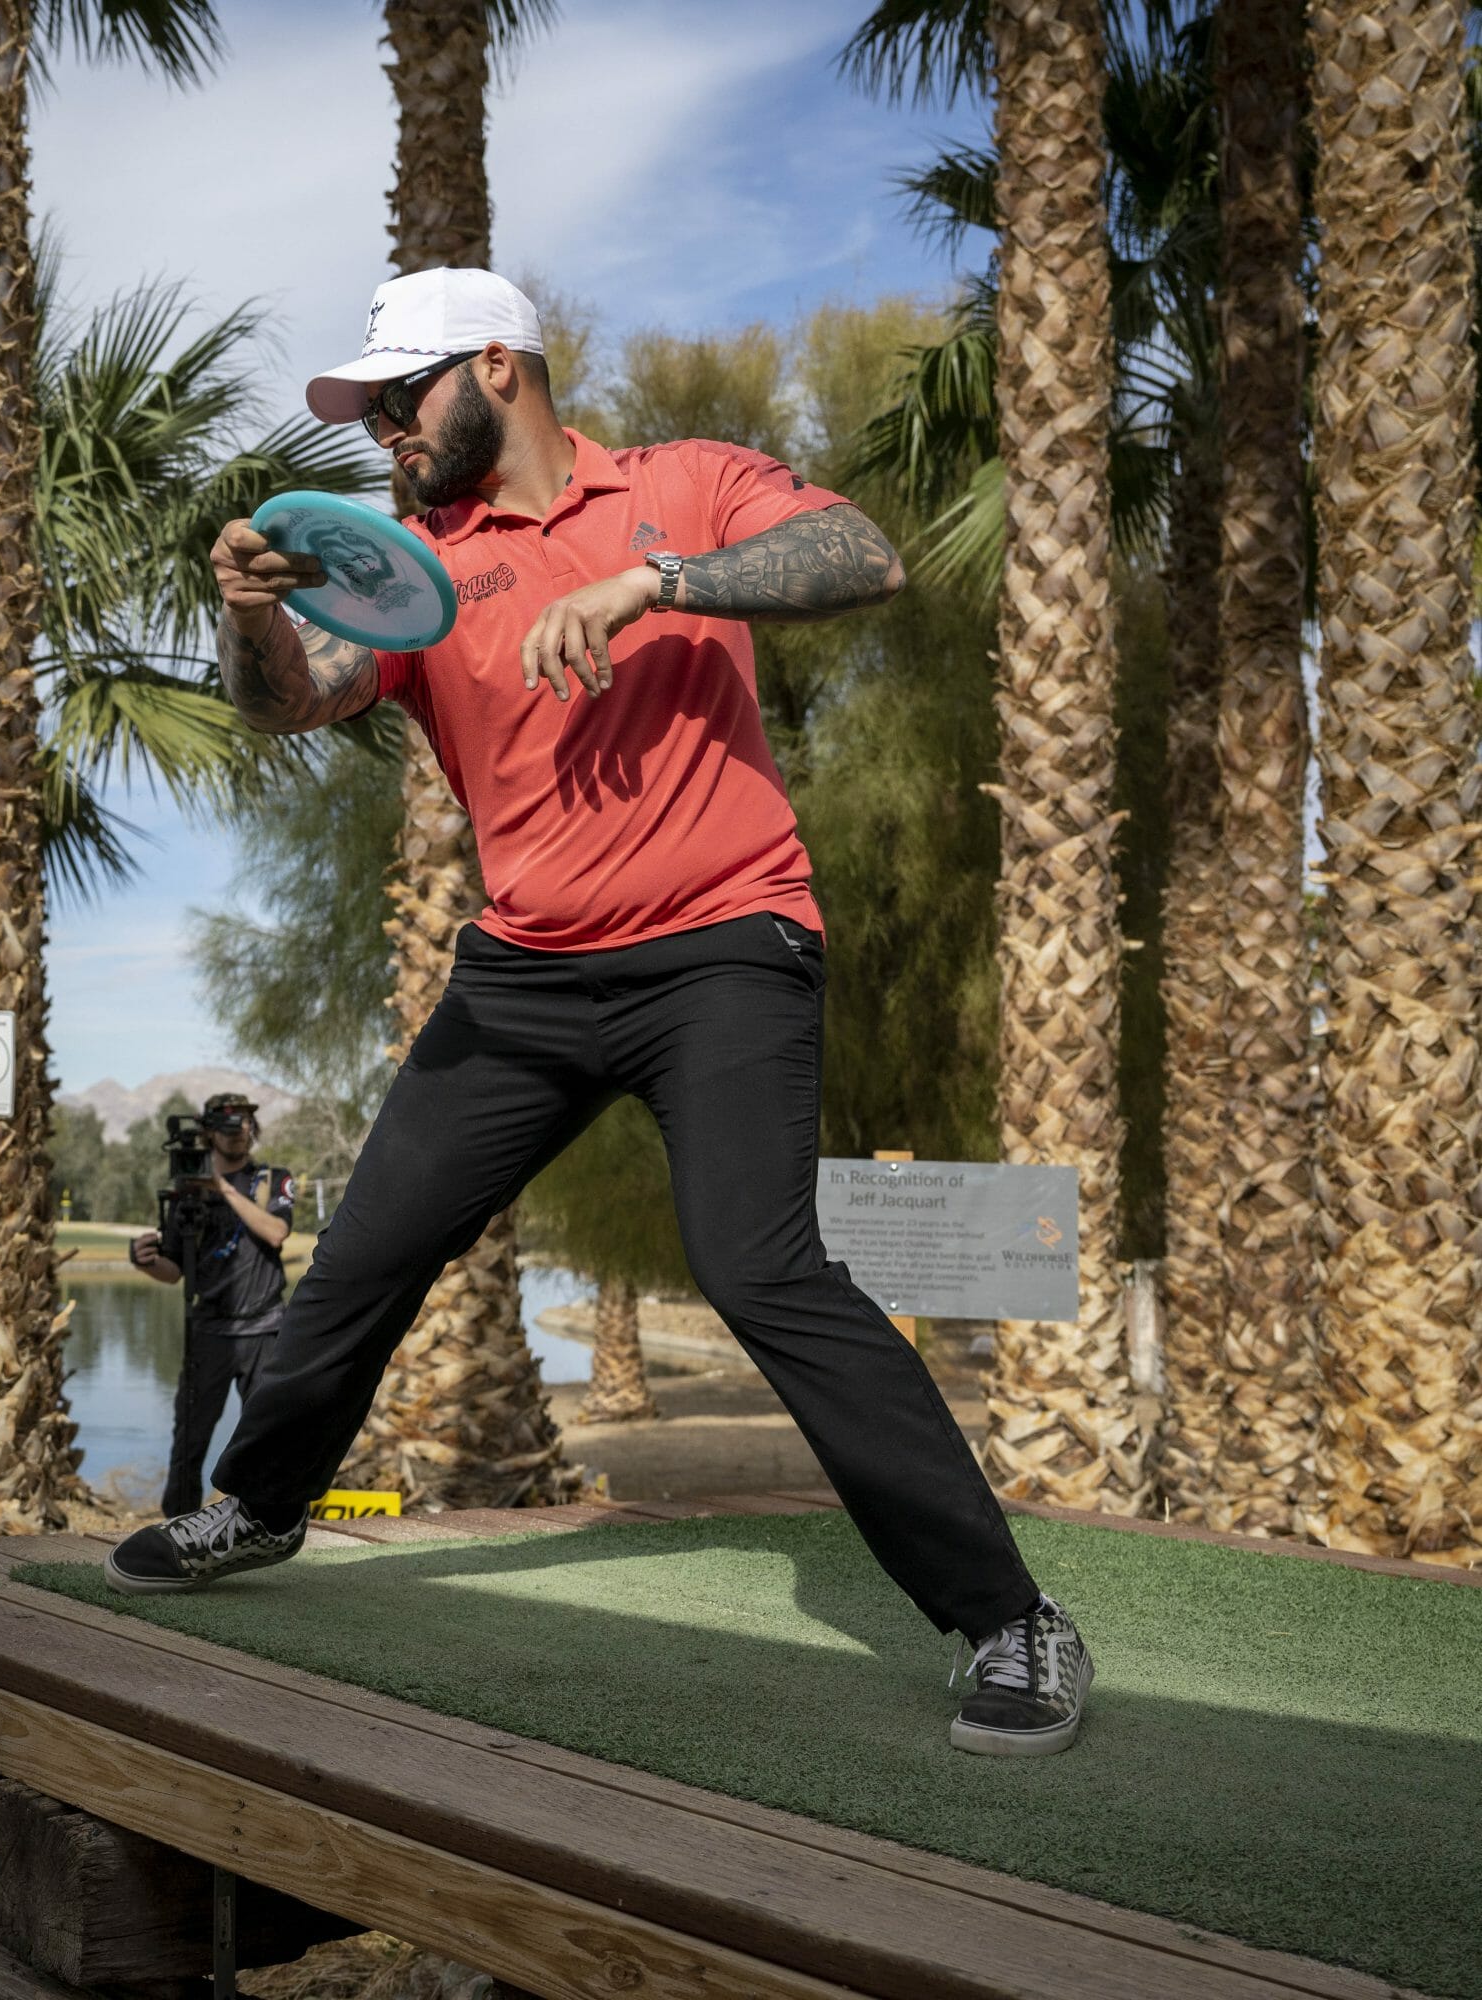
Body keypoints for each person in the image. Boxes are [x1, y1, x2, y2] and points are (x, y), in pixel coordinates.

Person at [106, 268, 1094, 1759]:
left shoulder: (685, 485)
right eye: (368, 410)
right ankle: (257, 1510)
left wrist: (659, 581)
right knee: (370, 1244)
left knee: (759, 1267)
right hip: (521, 975)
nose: (382, 434)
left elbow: (865, 557)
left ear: (500, 367)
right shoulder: (415, 569)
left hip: (724, 951)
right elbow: (288, 704)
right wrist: (248, 616)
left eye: (400, 399)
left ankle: (1012, 1622)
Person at [125, 1093, 297, 1517]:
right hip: (209, 1331)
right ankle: (177, 1528)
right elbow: (174, 1271)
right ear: (207, 1133)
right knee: (189, 1439)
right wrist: (144, 1262)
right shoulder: (186, 1192)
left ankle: (262, 1524)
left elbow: (276, 1232)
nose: (238, 1133)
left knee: (268, 1437)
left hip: (264, 1328)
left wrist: (221, 1188)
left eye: (244, 1125)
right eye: (227, 1126)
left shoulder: (271, 1179)